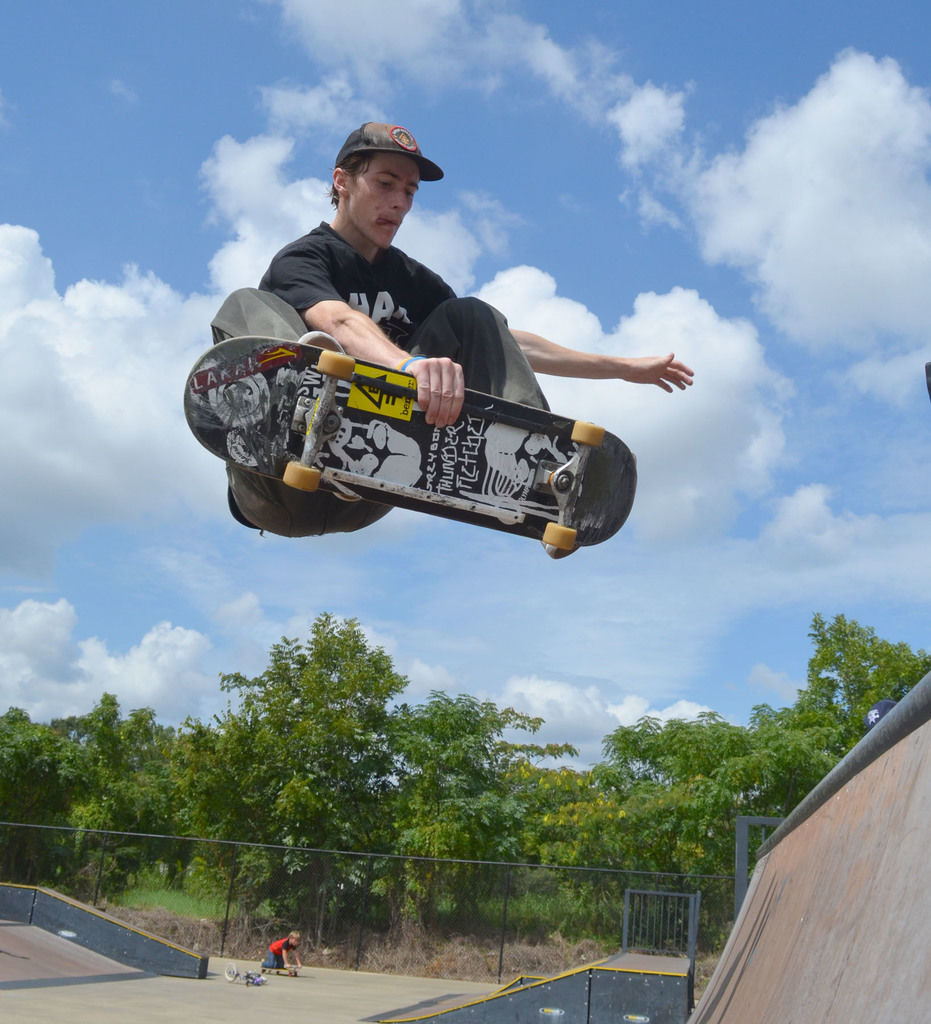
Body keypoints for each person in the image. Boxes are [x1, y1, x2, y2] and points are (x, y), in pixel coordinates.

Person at [212, 122, 694, 538]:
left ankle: (539, 469)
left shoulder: (414, 281)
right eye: (385, 184)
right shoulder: (304, 259)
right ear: (342, 182)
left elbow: (507, 344)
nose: (399, 203)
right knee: (245, 304)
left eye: (409, 192)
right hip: (278, 487)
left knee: (473, 314)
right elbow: (337, 319)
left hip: (372, 482)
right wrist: (408, 365)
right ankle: (310, 399)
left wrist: (623, 367)